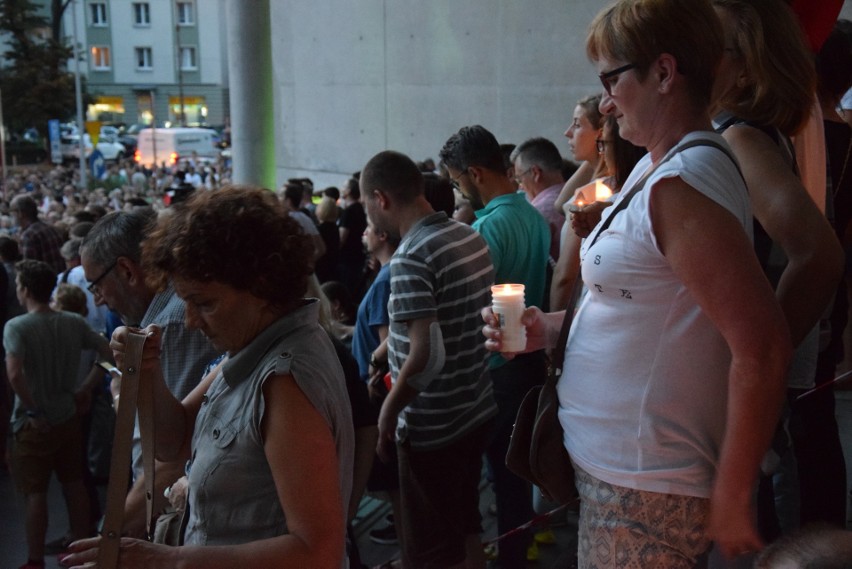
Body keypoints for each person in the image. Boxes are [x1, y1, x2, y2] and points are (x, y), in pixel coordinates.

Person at [484, 0, 792, 564]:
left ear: (664, 73)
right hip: (624, 477)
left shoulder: (681, 182)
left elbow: (763, 345)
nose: (603, 101)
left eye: (610, 79)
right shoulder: (658, 166)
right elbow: (646, 305)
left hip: (648, 486)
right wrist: (546, 329)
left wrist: (733, 486)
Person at [65, 186, 355, 568]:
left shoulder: (285, 381)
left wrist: (168, 561)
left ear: (261, 286)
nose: (189, 320)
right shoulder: (252, 349)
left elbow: (317, 551)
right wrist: (147, 371)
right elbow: (174, 441)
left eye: (205, 303)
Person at [712, 0, 845, 538]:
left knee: (771, 515)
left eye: (707, 42)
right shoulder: (754, 127)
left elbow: (817, 254)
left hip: (763, 383)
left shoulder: (740, 134)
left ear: (744, 62)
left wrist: (761, 359)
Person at [363, 150, 496, 569]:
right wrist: (389, 350)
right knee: (467, 526)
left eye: (367, 204)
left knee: (432, 551)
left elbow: (427, 352)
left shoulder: (411, 257)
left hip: (433, 426)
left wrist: (388, 412)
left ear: (381, 198)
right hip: (474, 406)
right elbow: (449, 317)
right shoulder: (466, 234)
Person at [440, 125, 550, 568]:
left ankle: (506, 559)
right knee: (516, 475)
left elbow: (468, 304)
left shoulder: (485, 228)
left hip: (494, 367)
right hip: (529, 356)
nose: (457, 191)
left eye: (455, 181)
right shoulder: (534, 215)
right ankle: (517, 554)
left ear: (474, 172)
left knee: (492, 475)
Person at [79, 210, 219, 537]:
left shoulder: (170, 326)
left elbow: (169, 453)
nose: (98, 299)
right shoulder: (164, 320)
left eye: (96, 286)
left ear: (127, 270)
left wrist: (111, 538)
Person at [5, 260, 113, 569]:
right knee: (74, 483)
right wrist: (87, 388)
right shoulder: (72, 322)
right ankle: (80, 551)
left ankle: (35, 558)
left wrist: (32, 407)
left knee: (35, 492)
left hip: (33, 421)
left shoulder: (17, 326)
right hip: (68, 414)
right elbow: (107, 354)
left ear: (24, 289)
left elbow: (14, 374)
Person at [550, 115, 646, 310]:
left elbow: (565, 276)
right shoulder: (645, 194)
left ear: (623, 147)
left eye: (603, 144)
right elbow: (561, 203)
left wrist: (555, 325)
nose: (601, 152)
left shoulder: (596, 197)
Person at [510, 137, 566, 264]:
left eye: (519, 179)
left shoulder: (538, 213)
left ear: (535, 173)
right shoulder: (576, 195)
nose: (520, 186)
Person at [553, 94, 606, 214]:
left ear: (601, 133)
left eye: (577, 125)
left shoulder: (607, 186)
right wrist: (593, 158)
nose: (567, 132)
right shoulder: (595, 172)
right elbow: (560, 204)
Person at [10, 195, 64, 275]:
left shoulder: (29, 235)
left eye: (12, 212)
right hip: (58, 280)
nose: (12, 215)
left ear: (20, 213)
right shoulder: (50, 228)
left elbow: (28, 271)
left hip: (44, 284)